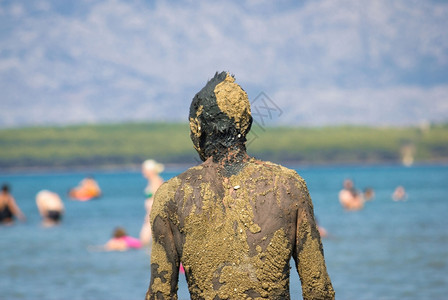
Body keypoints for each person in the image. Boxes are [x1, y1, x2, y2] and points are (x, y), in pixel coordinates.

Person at [146, 72, 334, 299]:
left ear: (196, 129)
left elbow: (160, 294)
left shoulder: (171, 195)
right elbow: (319, 291)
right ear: (247, 125)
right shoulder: (288, 186)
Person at [140, 159, 165, 246]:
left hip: (152, 213)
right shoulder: (152, 180)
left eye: (144, 170)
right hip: (150, 213)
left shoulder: (156, 180)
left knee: (146, 237)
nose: (143, 172)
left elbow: (157, 198)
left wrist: (151, 214)